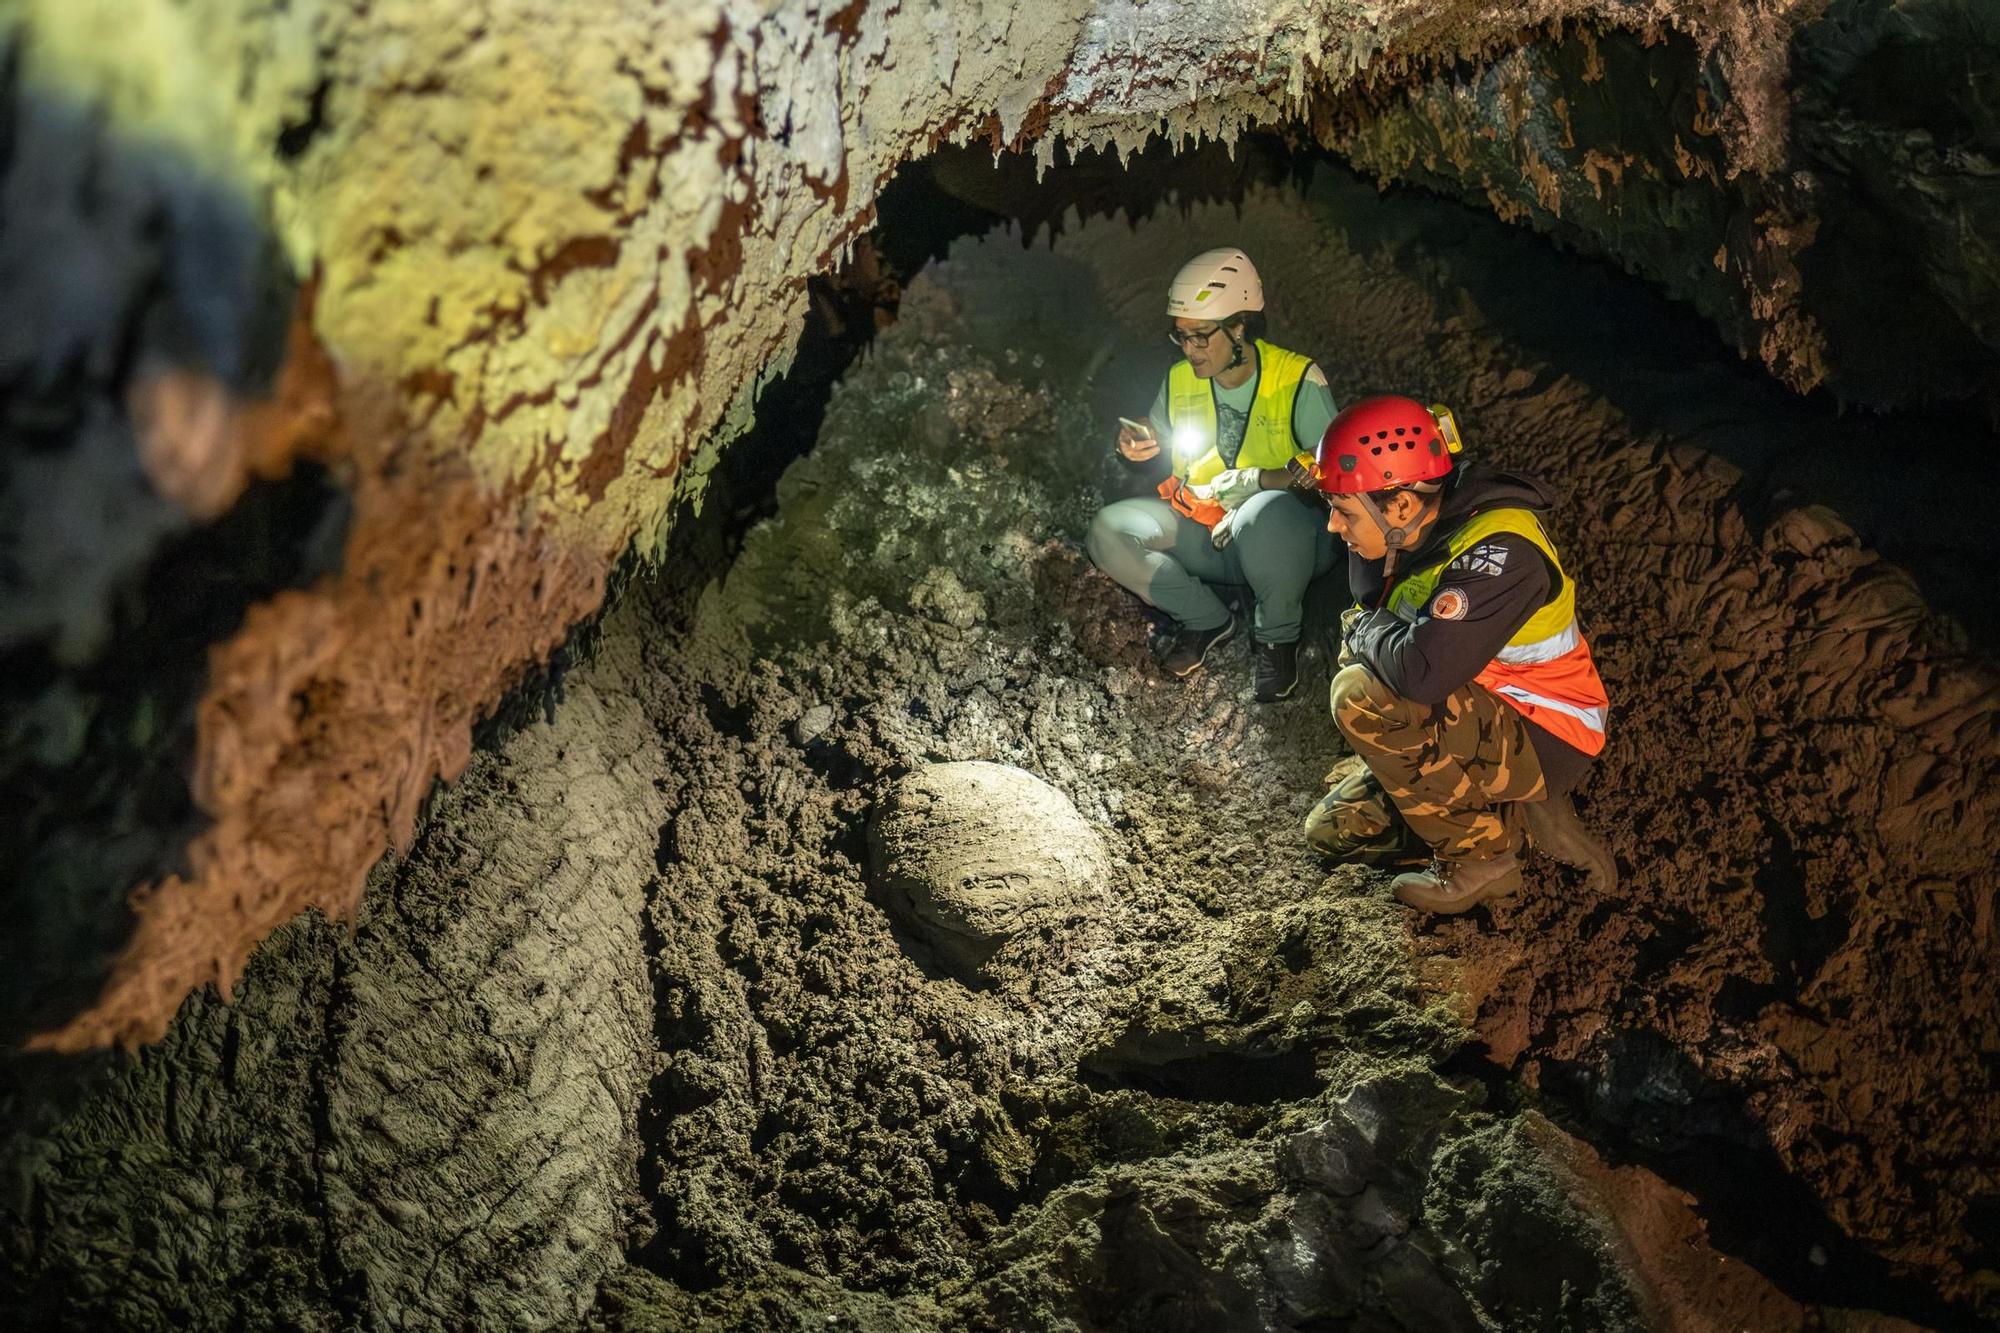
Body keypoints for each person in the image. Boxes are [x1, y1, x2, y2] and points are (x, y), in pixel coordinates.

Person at [1299, 394, 1617, 912]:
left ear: (1401, 504)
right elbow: (1370, 605)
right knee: (1331, 832)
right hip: (1478, 699)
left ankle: (1483, 860)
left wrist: (1364, 629)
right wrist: (1369, 594)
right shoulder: (1413, 525)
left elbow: (1421, 675)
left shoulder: (1502, 554)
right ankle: (1511, 813)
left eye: (1342, 512)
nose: (1334, 527)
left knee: (1361, 694)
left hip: (1547, 730)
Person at [1085, 248, 1340, 703]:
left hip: (1289, 541)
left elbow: (1333, 472)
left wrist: (1259, 481)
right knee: (1110, 531)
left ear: (1240, 326)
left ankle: (1277, 641)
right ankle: (1204, 617)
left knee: (1267, 515)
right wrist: (1136, 449)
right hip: (1209, 531)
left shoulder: (1298, 379)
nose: (1190, 349)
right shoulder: (1181, 379)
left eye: (1201, 336)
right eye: (1181, 337)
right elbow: (1161, 439)